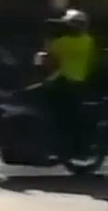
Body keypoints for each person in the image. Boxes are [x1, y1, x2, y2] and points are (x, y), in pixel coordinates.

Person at [37, 8, 98, 154]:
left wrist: (48, 38)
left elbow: (47, 59)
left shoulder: (62, 42)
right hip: (79, 83)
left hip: (62, 82)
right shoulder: (89, 41)